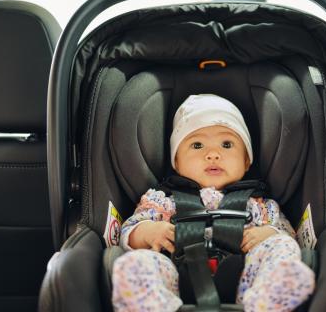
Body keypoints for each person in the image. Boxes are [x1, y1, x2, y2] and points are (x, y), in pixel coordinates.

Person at [112, 94, 315, 312]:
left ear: (246, 160)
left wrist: (270, 234)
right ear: (177, 162)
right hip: (174, 275)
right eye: (197, 145)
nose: (213, 154)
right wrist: (148, 232)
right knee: (137, 263)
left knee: (281, 247)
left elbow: (288, 235)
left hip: (247, 278)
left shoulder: (261, 205)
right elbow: (128, 232)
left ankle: (267, 303)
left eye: (227, 144)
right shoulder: (161, 202)